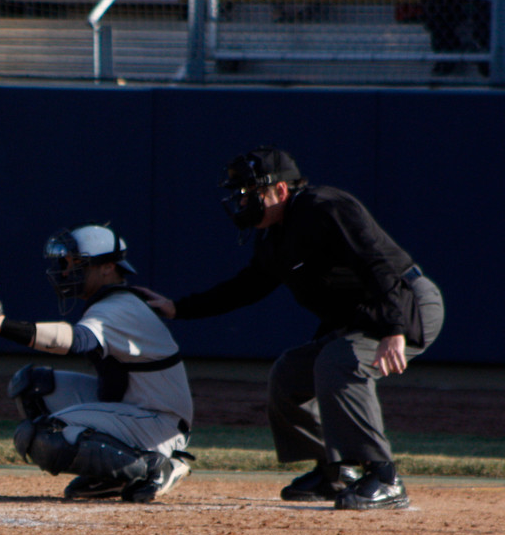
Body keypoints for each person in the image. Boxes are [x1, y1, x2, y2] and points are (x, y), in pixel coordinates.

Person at [143, 147, 443, 510]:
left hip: (404, 302)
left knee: (338, 363)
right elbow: (248, 286)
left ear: (281, 191)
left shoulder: (325, 206)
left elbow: (377, 262)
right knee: (290, 374)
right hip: (364, 315)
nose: (242, 202)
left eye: (251, 193)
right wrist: (178, 308)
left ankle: (384, 476)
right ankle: (338, 470)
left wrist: (394, 328)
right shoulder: (277, 235)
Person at [0, 224, 195, 503]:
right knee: (33, 386)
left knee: (42, 436)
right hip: (134, 408)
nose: (66, 271)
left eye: (77, 263)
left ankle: (156, 466)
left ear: (108, 267)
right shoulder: (113, 301)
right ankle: (112, 476)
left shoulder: (120, 306)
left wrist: (1, 325)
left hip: (158, 422)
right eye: (66, 263)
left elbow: (75, 340)